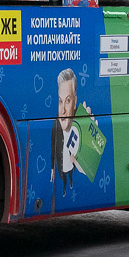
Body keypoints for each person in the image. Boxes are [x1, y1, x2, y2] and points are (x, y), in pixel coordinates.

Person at [50, 68, 83, 197]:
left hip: (71, 164)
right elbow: (53, 147)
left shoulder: (81, 125)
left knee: (69, 174)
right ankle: (64, 188)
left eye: (68, 101)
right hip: (61, 163)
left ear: (75, 102)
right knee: (63, 176)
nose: (62, 110)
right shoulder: (55, 124)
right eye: (60, 101)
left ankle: (70, 182)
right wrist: (53, 167)